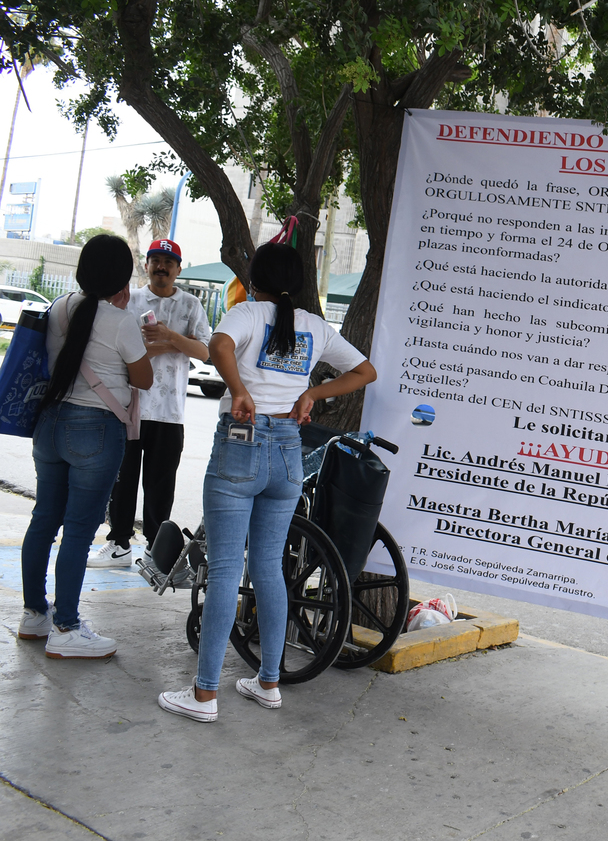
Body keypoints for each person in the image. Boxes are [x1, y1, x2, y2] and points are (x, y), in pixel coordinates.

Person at [158, 242, 376, 723]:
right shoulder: (316, 328)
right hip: (287, 453)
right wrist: (311, 393)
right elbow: (365, 371)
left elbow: (218, 346)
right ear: (297, 283)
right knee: (269, 568)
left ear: (253, 278)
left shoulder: (249, 313)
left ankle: (204, 695)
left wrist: (239, 390)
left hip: (241, 444)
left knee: (223, 570)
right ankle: (269, 682)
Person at [17, 235, 154, 659]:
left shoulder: (59, 307)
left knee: (44, 520)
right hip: (94, 429)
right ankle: (67, 628)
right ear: (120, 278)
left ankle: (35, 615)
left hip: (50, 422)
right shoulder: (121, 320)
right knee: (78, 530)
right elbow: (144, 380)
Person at [88, 239, 211, 569]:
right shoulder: (130, 300)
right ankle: (119, 544)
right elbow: (123, 348)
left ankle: (156, 551)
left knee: (161, 485)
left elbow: (205, 351)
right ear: (146, 265)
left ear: (178, 269)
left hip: (170, 412)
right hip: (128, 406)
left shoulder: (191, 305)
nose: (162, 267)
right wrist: (171, 346)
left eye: (168, 262)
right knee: (122, 478)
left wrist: (171, 338)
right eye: (156, 260)